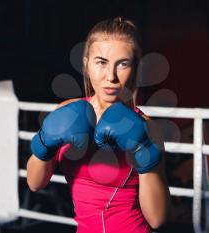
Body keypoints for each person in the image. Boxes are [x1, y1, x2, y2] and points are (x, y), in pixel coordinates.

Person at [26, 17, 170, 233]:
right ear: (86, 64)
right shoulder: (68, 112)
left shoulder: (146, 127)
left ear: (136, 68)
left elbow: (157, 219)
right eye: (101, 62)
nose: (110, 77)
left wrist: (143, 152)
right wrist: (44, 142)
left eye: (122, 64)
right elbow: (35, 183)